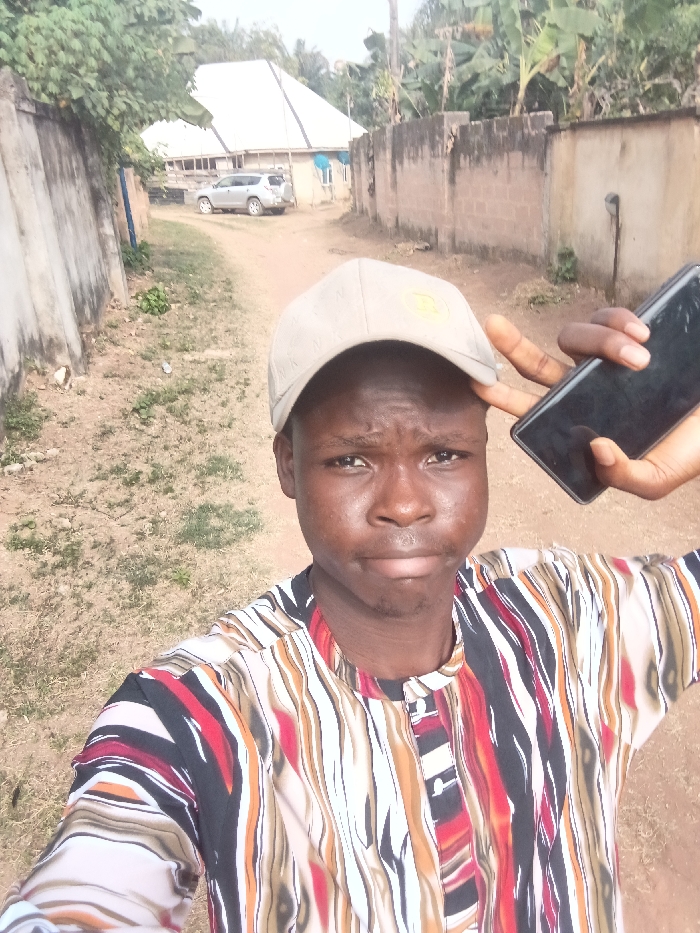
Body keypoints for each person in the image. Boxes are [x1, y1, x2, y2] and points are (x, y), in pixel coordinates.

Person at [2, 259, 700, 933]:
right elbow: (88, 886)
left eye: (444, 453)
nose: (404, 503)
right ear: (288, 464)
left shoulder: (568, 617)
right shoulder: (199, 713)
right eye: (351, 459)